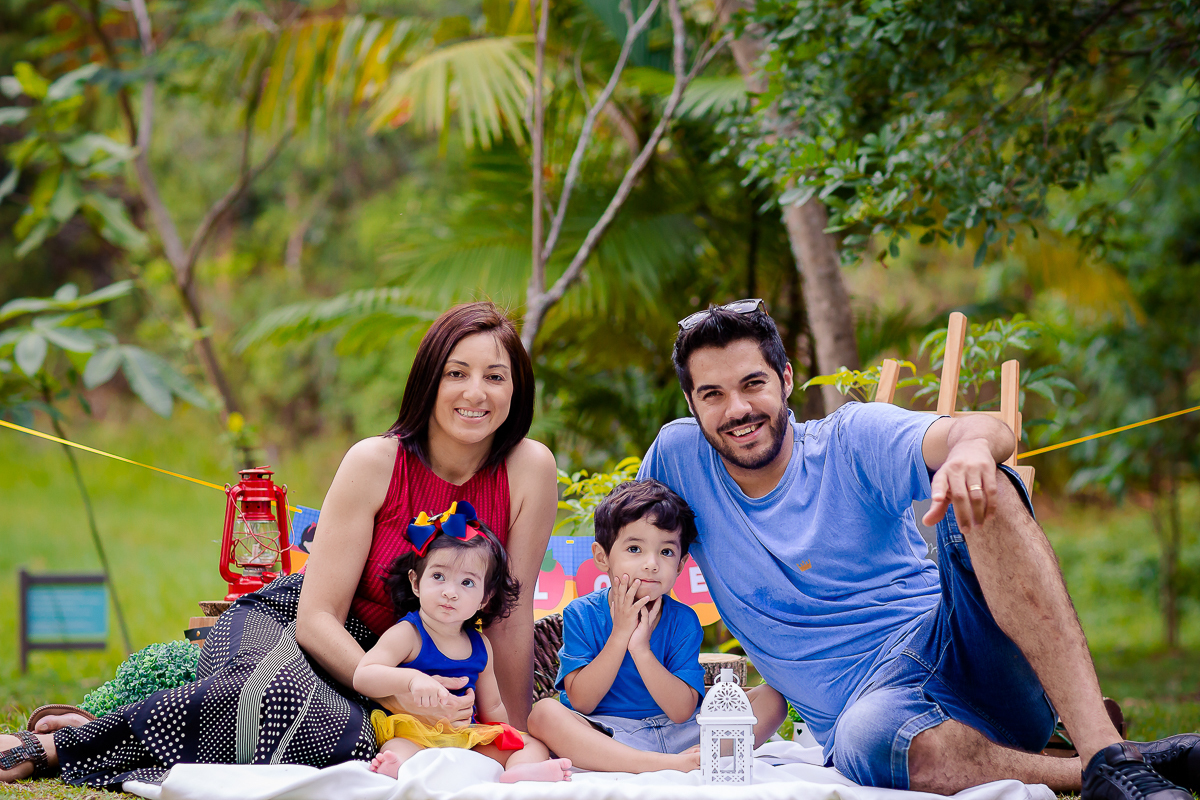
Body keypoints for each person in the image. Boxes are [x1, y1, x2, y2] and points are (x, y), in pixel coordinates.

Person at [636, 300, 1200, 799]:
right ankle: (1120, 768)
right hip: (879, 716)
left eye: (752, 384)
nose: (736, 409)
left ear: (785, 379)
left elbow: (981, 429)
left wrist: (972, 451)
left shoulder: (850, 439)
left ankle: (1103, 749)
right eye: (713, 394)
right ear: (691, 403)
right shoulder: (677, 459)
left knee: (986, 485)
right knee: (865, 740)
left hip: (960, 648)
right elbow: (624, 548)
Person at [0, 302, 559, 788]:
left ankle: (106, 726)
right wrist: (395, 690)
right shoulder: (376, 462)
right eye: (457, 372)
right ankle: (59, 747)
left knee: (354, 747)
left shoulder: (529, 469)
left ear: (517, 387)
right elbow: (317, 618)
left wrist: (516, 732)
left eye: (496, 376)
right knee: (284, 701)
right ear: (428, 382)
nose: (475, 393)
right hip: (302, 626)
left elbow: (511, 615)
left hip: (419, 661)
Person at [527, 479, 786, 773]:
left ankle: (686, 757)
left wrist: (641, 650)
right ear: (602, 557)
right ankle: (665, 764)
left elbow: (681, 711)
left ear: (681, 563)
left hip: (680, 735)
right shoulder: (582, 613)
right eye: (635, 549)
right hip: (609, 735)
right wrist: (620, 635)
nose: (651, 564)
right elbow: (583, 703)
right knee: (544, 714)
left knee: (772, 700)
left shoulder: (683, 621)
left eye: (666, 552)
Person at [356, 502, 569, 782]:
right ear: (416, 582)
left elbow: (492, 707)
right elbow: (364, 675)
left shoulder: (480, 645)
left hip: (465, 735)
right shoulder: (409, 633)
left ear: (485, 597)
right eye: (438, 577)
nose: (450, 592)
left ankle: (518, 772)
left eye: (466, 583)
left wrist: (507, 737)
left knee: (530, 743)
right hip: (416, 733)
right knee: (398, 748)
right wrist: (409, 680)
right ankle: (399, 768)